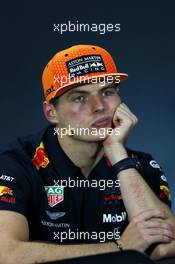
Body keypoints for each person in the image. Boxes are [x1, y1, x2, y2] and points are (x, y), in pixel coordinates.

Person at [0, 44, 174, 264]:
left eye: (107, 92)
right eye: (79, 97)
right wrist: (120, 248)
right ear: (51, 112)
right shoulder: (16, 163)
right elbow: (6, 254)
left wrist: (117, 154)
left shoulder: (140, 164)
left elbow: (167, 245)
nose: (99, 106)